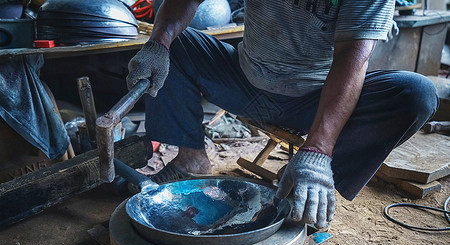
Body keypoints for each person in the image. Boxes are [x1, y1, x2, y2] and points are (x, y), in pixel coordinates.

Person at [126, 0, 439, 228]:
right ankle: (189, 160)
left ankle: (310, 183)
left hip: (318, 101)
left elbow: (353, 57)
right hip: (244, 82)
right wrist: (159, 43)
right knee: (173, 45)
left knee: (415, 95)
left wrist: (318, 150)